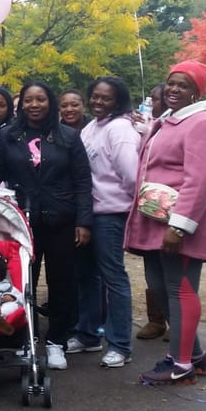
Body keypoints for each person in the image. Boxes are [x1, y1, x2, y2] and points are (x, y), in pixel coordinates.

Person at [0, 81, 93, 371]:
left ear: (50, 103)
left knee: (61, 282)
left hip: (61, 219)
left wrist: (84, 221)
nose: (34, 105)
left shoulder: (68, 136)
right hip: (23, 222)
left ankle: (56, 341)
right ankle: (23, 335)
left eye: (41, 99)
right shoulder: (8, 135)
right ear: (21, 105)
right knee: (21, 281)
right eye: (29, 100)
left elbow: (83, 182)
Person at [125, 61, 206, 385]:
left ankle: (180, 365)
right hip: (156, 219)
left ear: (197, 91)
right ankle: (196, 356)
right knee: (160, 288)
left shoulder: (203, 123)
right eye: (171, 83)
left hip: (181, 221)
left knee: (179, 289)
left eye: (183, 84)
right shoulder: (166, 122)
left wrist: (179, 226)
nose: (174, 89)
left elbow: (201, 179)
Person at [74, 76, 139, 368]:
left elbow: (132, 176)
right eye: (95, 96)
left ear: (119, 101)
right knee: (87, 276)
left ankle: (120, 344)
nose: (98, 102)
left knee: (114, 278)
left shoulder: (120, 129)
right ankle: (88, 335)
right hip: (88, 214)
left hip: (110, 214)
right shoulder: (91, 127)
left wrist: (119, 203)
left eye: (106, 98)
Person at [136, 81, 170, 340]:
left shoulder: (177, 127)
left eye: (155, 100)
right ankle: (157, 319)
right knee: (152, 266)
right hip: (149, 206)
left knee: (171, 270)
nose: (152, 104)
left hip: (170, 208)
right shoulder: (153, 126)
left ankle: (176, 322)